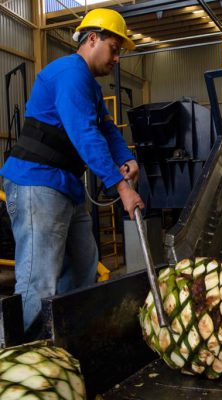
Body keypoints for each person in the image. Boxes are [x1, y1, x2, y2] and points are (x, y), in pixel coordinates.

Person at [0, 8, 144, 337]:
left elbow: (106, 130)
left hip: (64, 187)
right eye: (115, 48)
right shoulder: (69, 73)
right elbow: (84, 134)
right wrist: (122, 188)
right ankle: (12, 360)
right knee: (38, 281)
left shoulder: (91, 87)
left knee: (82, 268)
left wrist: (128, 158)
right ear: (92, 39)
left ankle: (54, 347)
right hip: (38, 183)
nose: (118, 58)